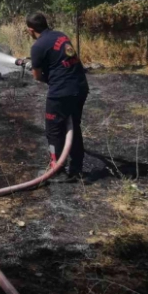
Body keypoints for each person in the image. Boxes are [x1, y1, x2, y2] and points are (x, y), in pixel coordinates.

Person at [26, 12, 89, 182]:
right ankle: (76, 170)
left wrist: (42, 73)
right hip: (80, 87)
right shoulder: (60, 35)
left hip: (61, 93)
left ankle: (57, 169)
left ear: (31, 30)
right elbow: (60, 60)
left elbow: (37, 76)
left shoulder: (37, 46)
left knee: (54, 130)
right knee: (73, 127)